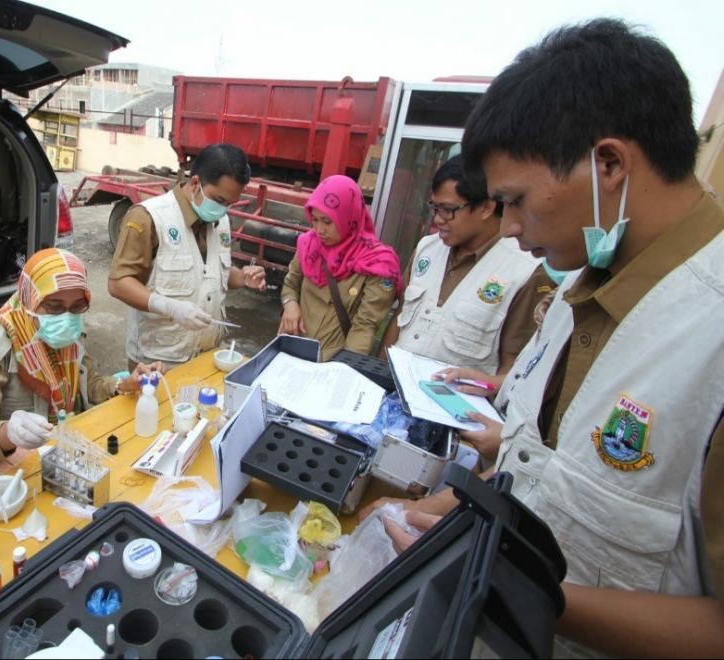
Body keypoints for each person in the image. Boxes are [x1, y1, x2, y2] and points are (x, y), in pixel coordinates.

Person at [367, 18, 724, 656]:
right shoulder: (578, 283)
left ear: (608, 164)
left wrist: (496, 573)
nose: (507, 229)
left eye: (516, 200)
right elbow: (537, 468)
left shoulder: (709, 339)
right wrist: (451, 515)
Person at [0, 248, 161, 461]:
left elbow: (89, 384)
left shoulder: (70, 337)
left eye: (77, 306)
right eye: (54, 307)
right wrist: (10, 433)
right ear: (29, 299)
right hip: (13, 465)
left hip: (62, 452)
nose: (66, 318)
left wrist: (124, 384)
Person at [379, 154, 552, 375]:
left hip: (451, 406)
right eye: (435, 208)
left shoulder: (524, 271)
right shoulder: (427, 249)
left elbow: (514, 369)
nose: (438, 219)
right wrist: (379, 375)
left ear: (487, 208)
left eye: (448, 210)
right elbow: (399, 319)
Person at [108, 143, 266, 370]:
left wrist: (241, 277)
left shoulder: (220, 220)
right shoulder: (149, 218)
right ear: (195, 183)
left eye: (230, 204)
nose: (223, 210)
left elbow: (210, 271)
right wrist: (171, 307)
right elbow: (118, 283)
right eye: (219, 200)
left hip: (207, 355)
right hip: (159, 361)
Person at [278, 174, 401, 360]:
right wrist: (290, 304)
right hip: (293, 349)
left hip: (333, 359)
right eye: (315, 219)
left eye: (327, 222)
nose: (319, 230)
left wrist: (344, 369)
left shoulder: (378, 264)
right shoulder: (309, 245)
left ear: (348, 217)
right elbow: (291, 284)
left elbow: (365, 325)